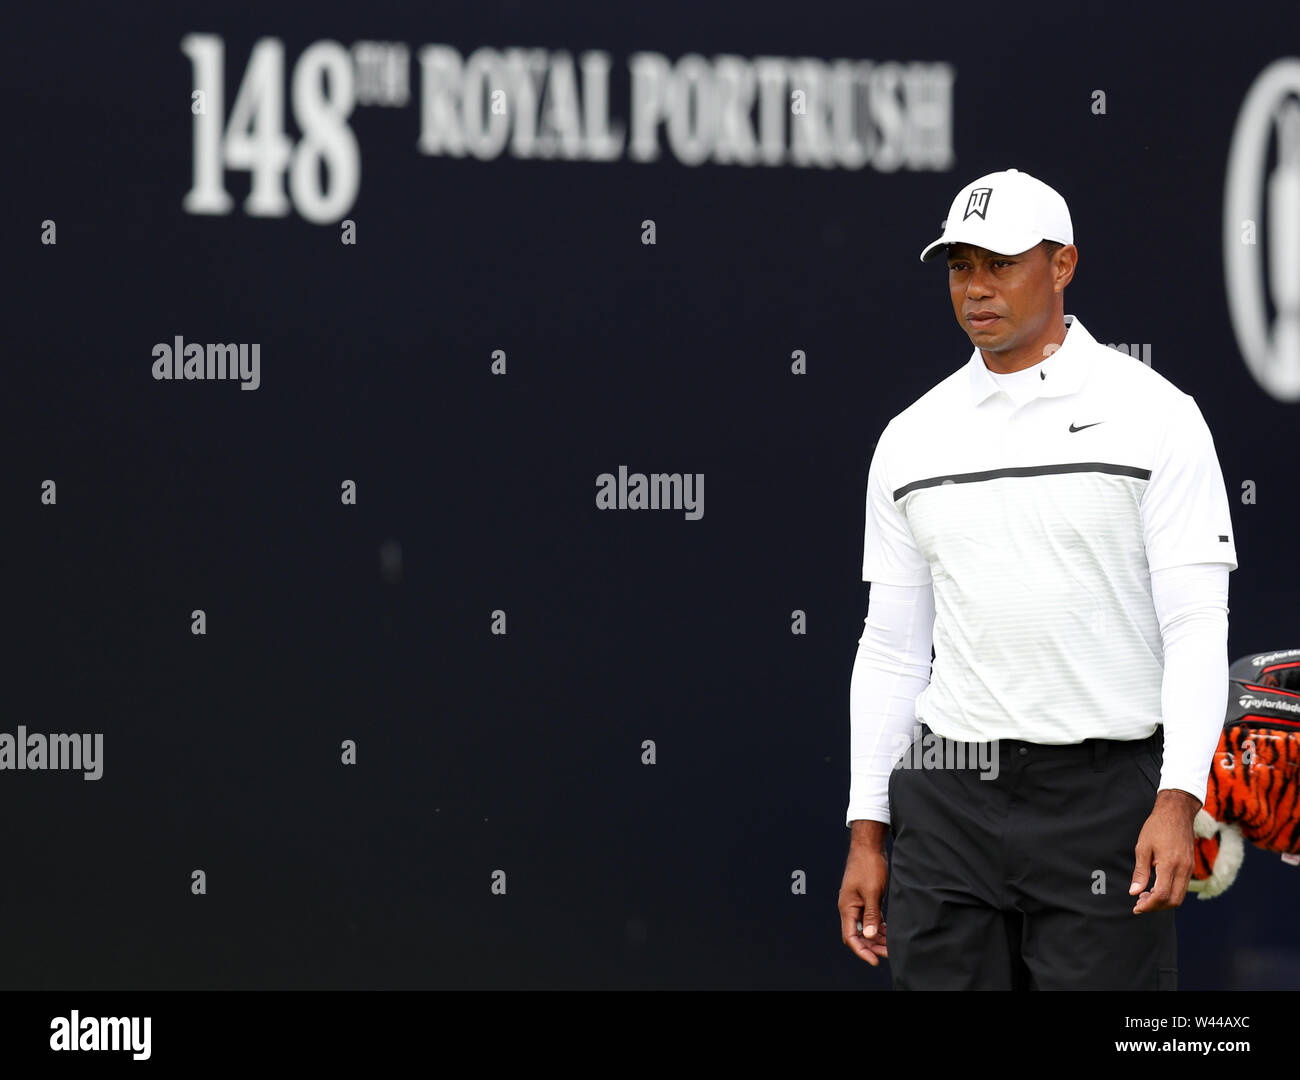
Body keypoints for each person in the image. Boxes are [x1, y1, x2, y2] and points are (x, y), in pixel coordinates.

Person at [836, 168, 1238, 989]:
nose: (976, 289)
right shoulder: (910, 437)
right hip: (946, 797)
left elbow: (1197, 624)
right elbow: (891, 650)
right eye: (959, 266)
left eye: (1000, 263)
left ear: (1062, 266)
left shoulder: (1159, 416)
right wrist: (867, 830)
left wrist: (1177, 800)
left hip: (1103, 803)